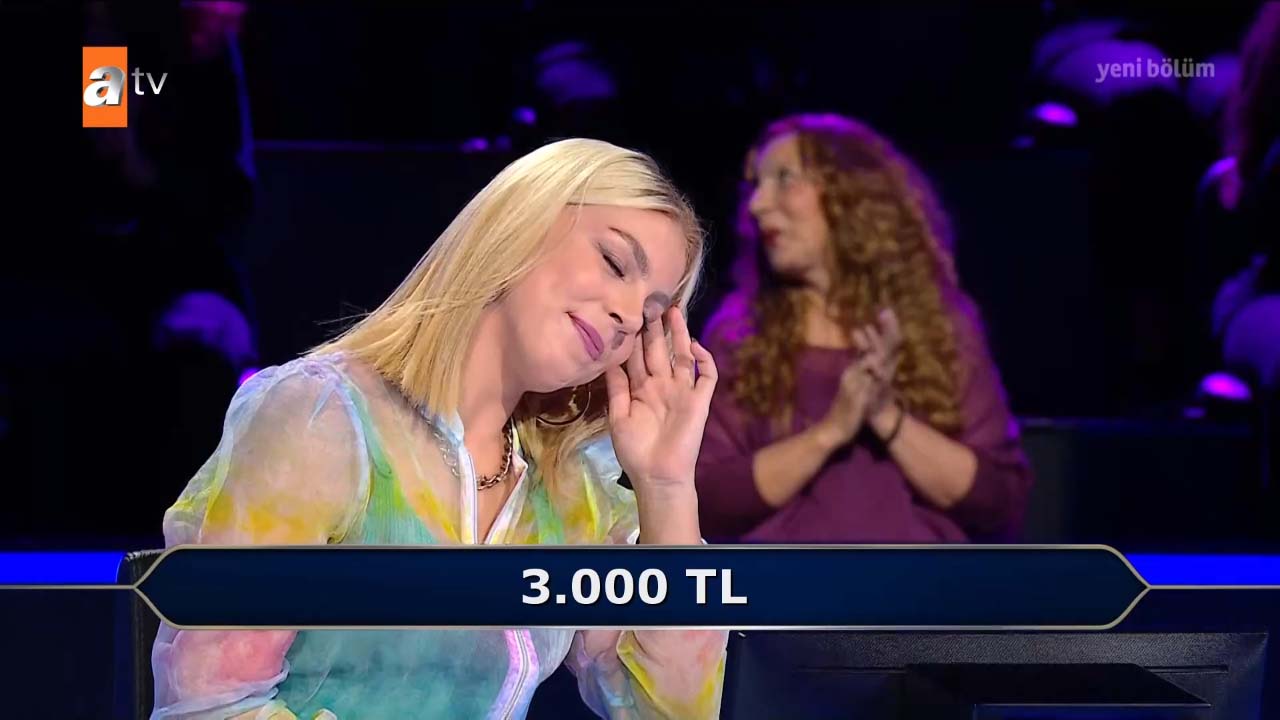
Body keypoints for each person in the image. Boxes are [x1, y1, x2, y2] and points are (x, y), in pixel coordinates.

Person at [149, 139, 727, 719]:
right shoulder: (321, 418)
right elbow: (210, 707)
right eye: (615, 263)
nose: (627, 316)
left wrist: (667, 487)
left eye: (649, 315)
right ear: (523, 220)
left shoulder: (570, 492)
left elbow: (665, 712)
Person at [695, 113, 1032, 543]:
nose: (758, 204)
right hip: (786, 583)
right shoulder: (740, 335)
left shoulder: (940, 327)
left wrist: (885, 416)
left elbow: (999, 501)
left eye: (784, 179)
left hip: (919, 582)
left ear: (850, 194)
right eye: (756, 185)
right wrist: (830, 432)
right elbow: (706, 499)